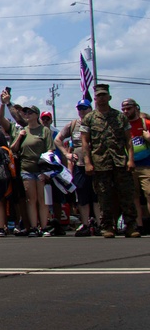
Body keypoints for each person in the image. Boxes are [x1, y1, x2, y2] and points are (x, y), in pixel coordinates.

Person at [81, 84, 139, 237]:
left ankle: (131, 226)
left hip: (120, 160)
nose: (101, 98)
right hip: (100, 162)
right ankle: (108, 227)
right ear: (95, 98)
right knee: (104, 196)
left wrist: (130, 159)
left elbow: (129, 140)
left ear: (109, 97)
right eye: (98, 95)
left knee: (126, 195)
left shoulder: (119, 116)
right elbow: (85, 142)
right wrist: (87, 162)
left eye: (104, 95)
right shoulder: (89, 118)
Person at [55, 99, 99, 236]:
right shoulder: (73, 124)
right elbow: (58, 139)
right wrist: (67, 154)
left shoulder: (97, 122)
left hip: (97, 163)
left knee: (97, 195)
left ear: (90, 109)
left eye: (84, 108)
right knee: (82, 194)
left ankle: (99, 223)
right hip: (79, 164)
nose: (82, 111)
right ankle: (85, 224)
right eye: (79, 108)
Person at [11, 105, 54, 236]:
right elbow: (13, 149)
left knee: (42, 199)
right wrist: (19, 136)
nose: (27, 114)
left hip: (41, 169)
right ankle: (34, 227)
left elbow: (50, 150)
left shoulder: (44, 130)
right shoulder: (23, 131)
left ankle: (44, 226)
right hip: (26, 169)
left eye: (30, 112)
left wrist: (46, 170)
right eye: (25, 112)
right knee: (31, 199)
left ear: (36, 115)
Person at [120, 98, 150, 233]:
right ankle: (139, 225)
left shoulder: (146, 123)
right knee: (134, 196)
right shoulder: (122, 126)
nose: (126, 111)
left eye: (129, 108)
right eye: (124, 109)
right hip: (129, 166)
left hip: (146, 165)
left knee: (149, 193)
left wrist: (148, 137)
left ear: (135, 108)